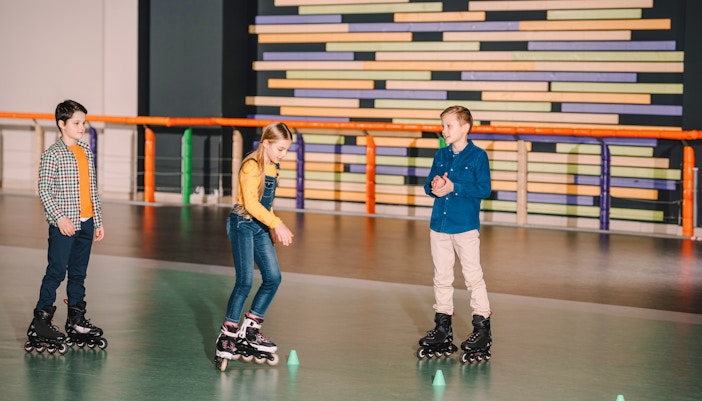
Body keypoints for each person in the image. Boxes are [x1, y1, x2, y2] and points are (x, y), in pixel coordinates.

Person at [26, 100, 105, 353]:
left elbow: (92, 190)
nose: (82, 127)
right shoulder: (52, 154)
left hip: (86, 223)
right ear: (62, 124)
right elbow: (44, 191)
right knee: (56, 272)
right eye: (76, 123)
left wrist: (98, 221)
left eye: (83, 122)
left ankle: (76, 321)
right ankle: (40, 322)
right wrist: (60, 218)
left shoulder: (85, 151)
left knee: (79, 274)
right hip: (64, 226)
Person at [417, 105, 493, 363]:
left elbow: (484, 189)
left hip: (465, 227)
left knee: (473, 277)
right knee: (442, 277)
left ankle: (482, 328)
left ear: (465, 127)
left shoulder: (478, 156)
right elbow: (429, 184)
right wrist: (435, 186)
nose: (443, 130)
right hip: (439, 225)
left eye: (449, 126)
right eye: (443, 125)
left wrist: (454, 187)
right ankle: (442, 327)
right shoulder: (440, 155)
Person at [215, 122, 294, 368]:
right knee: (245, 281)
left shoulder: (274, 167)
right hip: (242, 224)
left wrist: (269, 228)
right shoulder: (251, 166)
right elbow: (250, 203)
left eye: (286, 150)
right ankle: (227, 335)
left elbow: (266, 202)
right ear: (266, 143)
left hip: (260, 227)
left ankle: (250, 330)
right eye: (280, 149)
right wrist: (277, 224)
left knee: (273, 277)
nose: (284, 154)